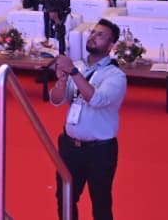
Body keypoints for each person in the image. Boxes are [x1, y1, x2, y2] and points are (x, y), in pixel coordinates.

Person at [50, 19, 126, 220]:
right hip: (69, 146)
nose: (93, 36)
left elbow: (97, 99)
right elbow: (57, 100)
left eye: (101, 35)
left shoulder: (115, 75)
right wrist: (61, 80)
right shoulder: (78, 66)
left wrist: (73, 73)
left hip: (100, 151)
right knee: (65, 198)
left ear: (111, 46)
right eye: (93, 32)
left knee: (100, 204)